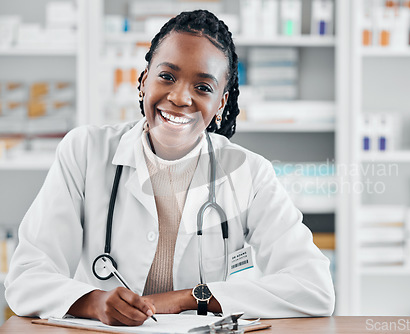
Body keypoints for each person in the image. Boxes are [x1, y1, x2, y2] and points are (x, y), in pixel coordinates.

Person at [5, 10, 334, 326]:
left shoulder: (250, 174)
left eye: (203, 87)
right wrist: (94, 302)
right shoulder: (85, 151)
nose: (179, 97)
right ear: (145, 80)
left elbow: (314, 288)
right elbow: (26, 279)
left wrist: (188, 299)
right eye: (167, 76)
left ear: (221, 102)